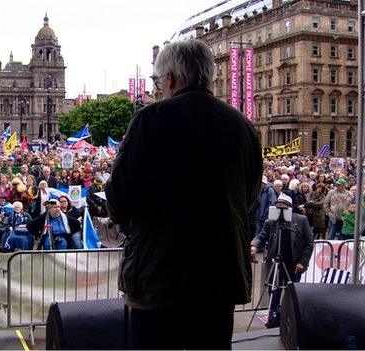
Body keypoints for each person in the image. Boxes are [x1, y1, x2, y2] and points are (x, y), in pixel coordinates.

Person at [106, 40, 262, 349]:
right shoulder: (243, 127)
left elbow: (118, 201)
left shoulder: (149, 120)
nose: (157, 88)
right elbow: (249, 197)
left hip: (158, 276)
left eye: (157, 81)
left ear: (172, 79)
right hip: (219, 279)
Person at [251, 194, 314, 328]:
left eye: (283, 207)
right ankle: (273, 318)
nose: (280, 209)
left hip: (294, 264)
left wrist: (302, 262)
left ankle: (291, 318)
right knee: (274, 291)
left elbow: (309, 243)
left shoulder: (301, 220)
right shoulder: (271, 222)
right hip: (275, 263)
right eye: (277, 206)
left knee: (292, 292)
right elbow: (261, 236)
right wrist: (254, 245)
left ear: (290, 208)